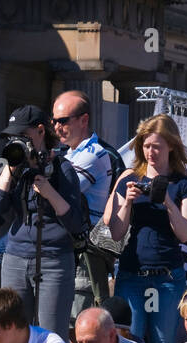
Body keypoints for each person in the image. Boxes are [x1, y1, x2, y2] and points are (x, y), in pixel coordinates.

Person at [104, 114, 187, 343]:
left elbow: (185, 233)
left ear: (171, 146)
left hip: (167, 277)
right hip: (132, 274)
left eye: (156, 146)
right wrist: (127, 202)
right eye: (146, 146)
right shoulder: (128, 180)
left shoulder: (184, 184)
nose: (150, 152)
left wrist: (167, 200)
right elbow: (115, 233)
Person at [0, 105, 86, 338]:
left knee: (50, 336)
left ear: (41, 131)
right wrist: (11, 168)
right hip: (15, 258)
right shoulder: (10, 169)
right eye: (13, 137)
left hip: (53, 260)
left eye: (22, 136)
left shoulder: (62, 169)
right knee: (12, 332)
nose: (17, 141)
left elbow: (76, 224)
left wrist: (49, 191)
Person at [53, 89, 118, 313]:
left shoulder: (94, 154)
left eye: (63, 120)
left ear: (84, 120)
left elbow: (60, 195)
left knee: (78, 328)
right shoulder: (67, 154)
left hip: (83, 255)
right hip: (66, 251)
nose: (56, 127)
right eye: (53, 121)